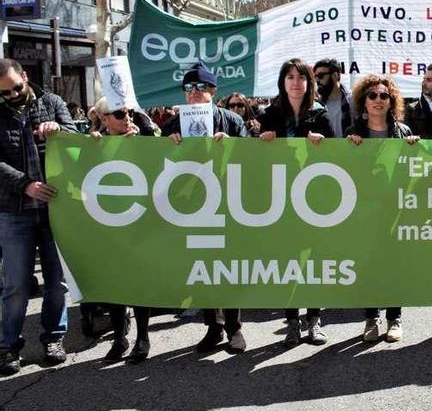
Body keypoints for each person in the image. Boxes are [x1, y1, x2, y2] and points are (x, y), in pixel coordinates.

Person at [161, 60, 250, 353]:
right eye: (188, 88)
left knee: (227, 267)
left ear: (213, 90)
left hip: (226, 203)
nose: (194, 93)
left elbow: (255, 157)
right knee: (201, 267)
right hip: (193, 206)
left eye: (200, 87)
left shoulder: (231, 121)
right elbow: (156, 161)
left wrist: (233, 145)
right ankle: (213, 327)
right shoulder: (174, 123)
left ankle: (235, 328)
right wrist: (168, 142)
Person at [0, 59, 75, 375]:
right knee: (15, 284)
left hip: (56, 208)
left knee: (56, 281)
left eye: (17, 87)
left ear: (26, 76)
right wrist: (25, 185)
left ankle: (53, 337)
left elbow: (77, 139)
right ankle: (8, 346)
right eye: (5, 93)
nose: (14, 95)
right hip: (14, 211)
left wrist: (60, 129)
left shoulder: (52, 102)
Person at [258, 58, 334, 346]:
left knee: (312, 259)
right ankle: (291, 320)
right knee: (288, 259)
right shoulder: (270, 114)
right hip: (281, 197)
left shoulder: (321, 114)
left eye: (301, 77)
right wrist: (262, 139)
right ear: (282, 81)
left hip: (312, 198)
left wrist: (323, 143)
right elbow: (256, 158)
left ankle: (314, 320)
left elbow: (336, 157)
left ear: (308, 82)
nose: (295, 82)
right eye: (290, 76)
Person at [345, 74, 419, 342]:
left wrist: (414, 150)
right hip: (365, 211)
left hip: (395, 210)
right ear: (363, 101)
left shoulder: (404, 133)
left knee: (394, 265)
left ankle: (394, 318)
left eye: (384, 96)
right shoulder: (352, 134)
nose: (378, 100)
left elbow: (413, 173)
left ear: (392, 101)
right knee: (369, 265)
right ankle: (371, 318)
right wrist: (348, 149)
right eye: (372, 95)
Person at [88, 97, 156, 362]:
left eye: (128, 112)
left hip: (139, 220)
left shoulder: (143, 139)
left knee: (139, 280)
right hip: (108, 222)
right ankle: (119, 337)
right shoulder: (94, 143)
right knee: (114, 282)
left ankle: (143, 338)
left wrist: (143, 140)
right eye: (118, 114)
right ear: (104, 118)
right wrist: (91, 143)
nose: (126, 117)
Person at [314, 58, 353, 138]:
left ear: (336, 75)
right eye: (316, 77)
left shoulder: (354, 100)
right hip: (326, 149)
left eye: (321, 76)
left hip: (352, 149)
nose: (317, 81)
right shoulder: (317, 105)